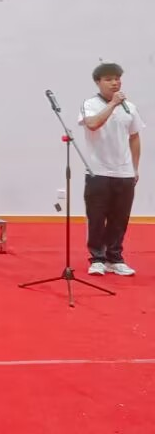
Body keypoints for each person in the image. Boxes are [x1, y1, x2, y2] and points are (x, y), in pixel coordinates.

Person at [79, 62, 143, 277]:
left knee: (120, 218)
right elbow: (92, 124)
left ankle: (115, 258)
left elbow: (134, 137)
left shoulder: (130, 107)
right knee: (97, 217)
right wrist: (113, 104)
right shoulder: (90, 104)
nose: (115, 83)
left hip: (124, 172)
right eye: (108, 79)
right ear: (98, 82)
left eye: (117, 79)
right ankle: (97, 258)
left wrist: (135, 168)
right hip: (98, 171)